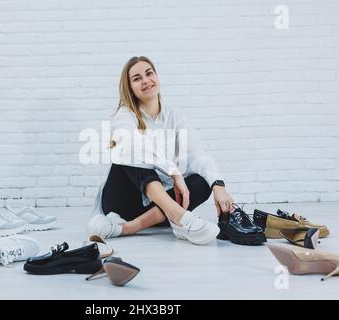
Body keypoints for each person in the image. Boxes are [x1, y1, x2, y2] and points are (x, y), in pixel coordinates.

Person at [88, 56, 264, 246]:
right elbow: (134, 146)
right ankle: (179, 218)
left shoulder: (174, 116)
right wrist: (173, 172)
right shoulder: (124, 116)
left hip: (158, 207)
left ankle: (131, 227)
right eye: (137, 78)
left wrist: (218, 185)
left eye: (149, 73)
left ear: (156, 76)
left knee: (202, 181)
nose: (146, 80)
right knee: (131, 154)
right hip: (122, 203)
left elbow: (197, 154)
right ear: (129, 87)